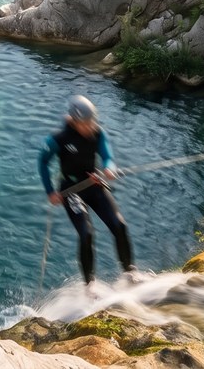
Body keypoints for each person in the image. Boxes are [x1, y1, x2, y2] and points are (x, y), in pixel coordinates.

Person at [39, 96, 134, 285]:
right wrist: (50, 191)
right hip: (71, 190)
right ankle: (90, 286)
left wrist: (109, 168)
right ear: (74, 122)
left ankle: (130, 273)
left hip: (94, 184)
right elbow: (42, 162)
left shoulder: (98, 134)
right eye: (85, 123)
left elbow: (107, 156)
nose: (89, 126)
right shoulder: (59, 139)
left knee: (120, 225)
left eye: (92, 121)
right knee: (87, 233)